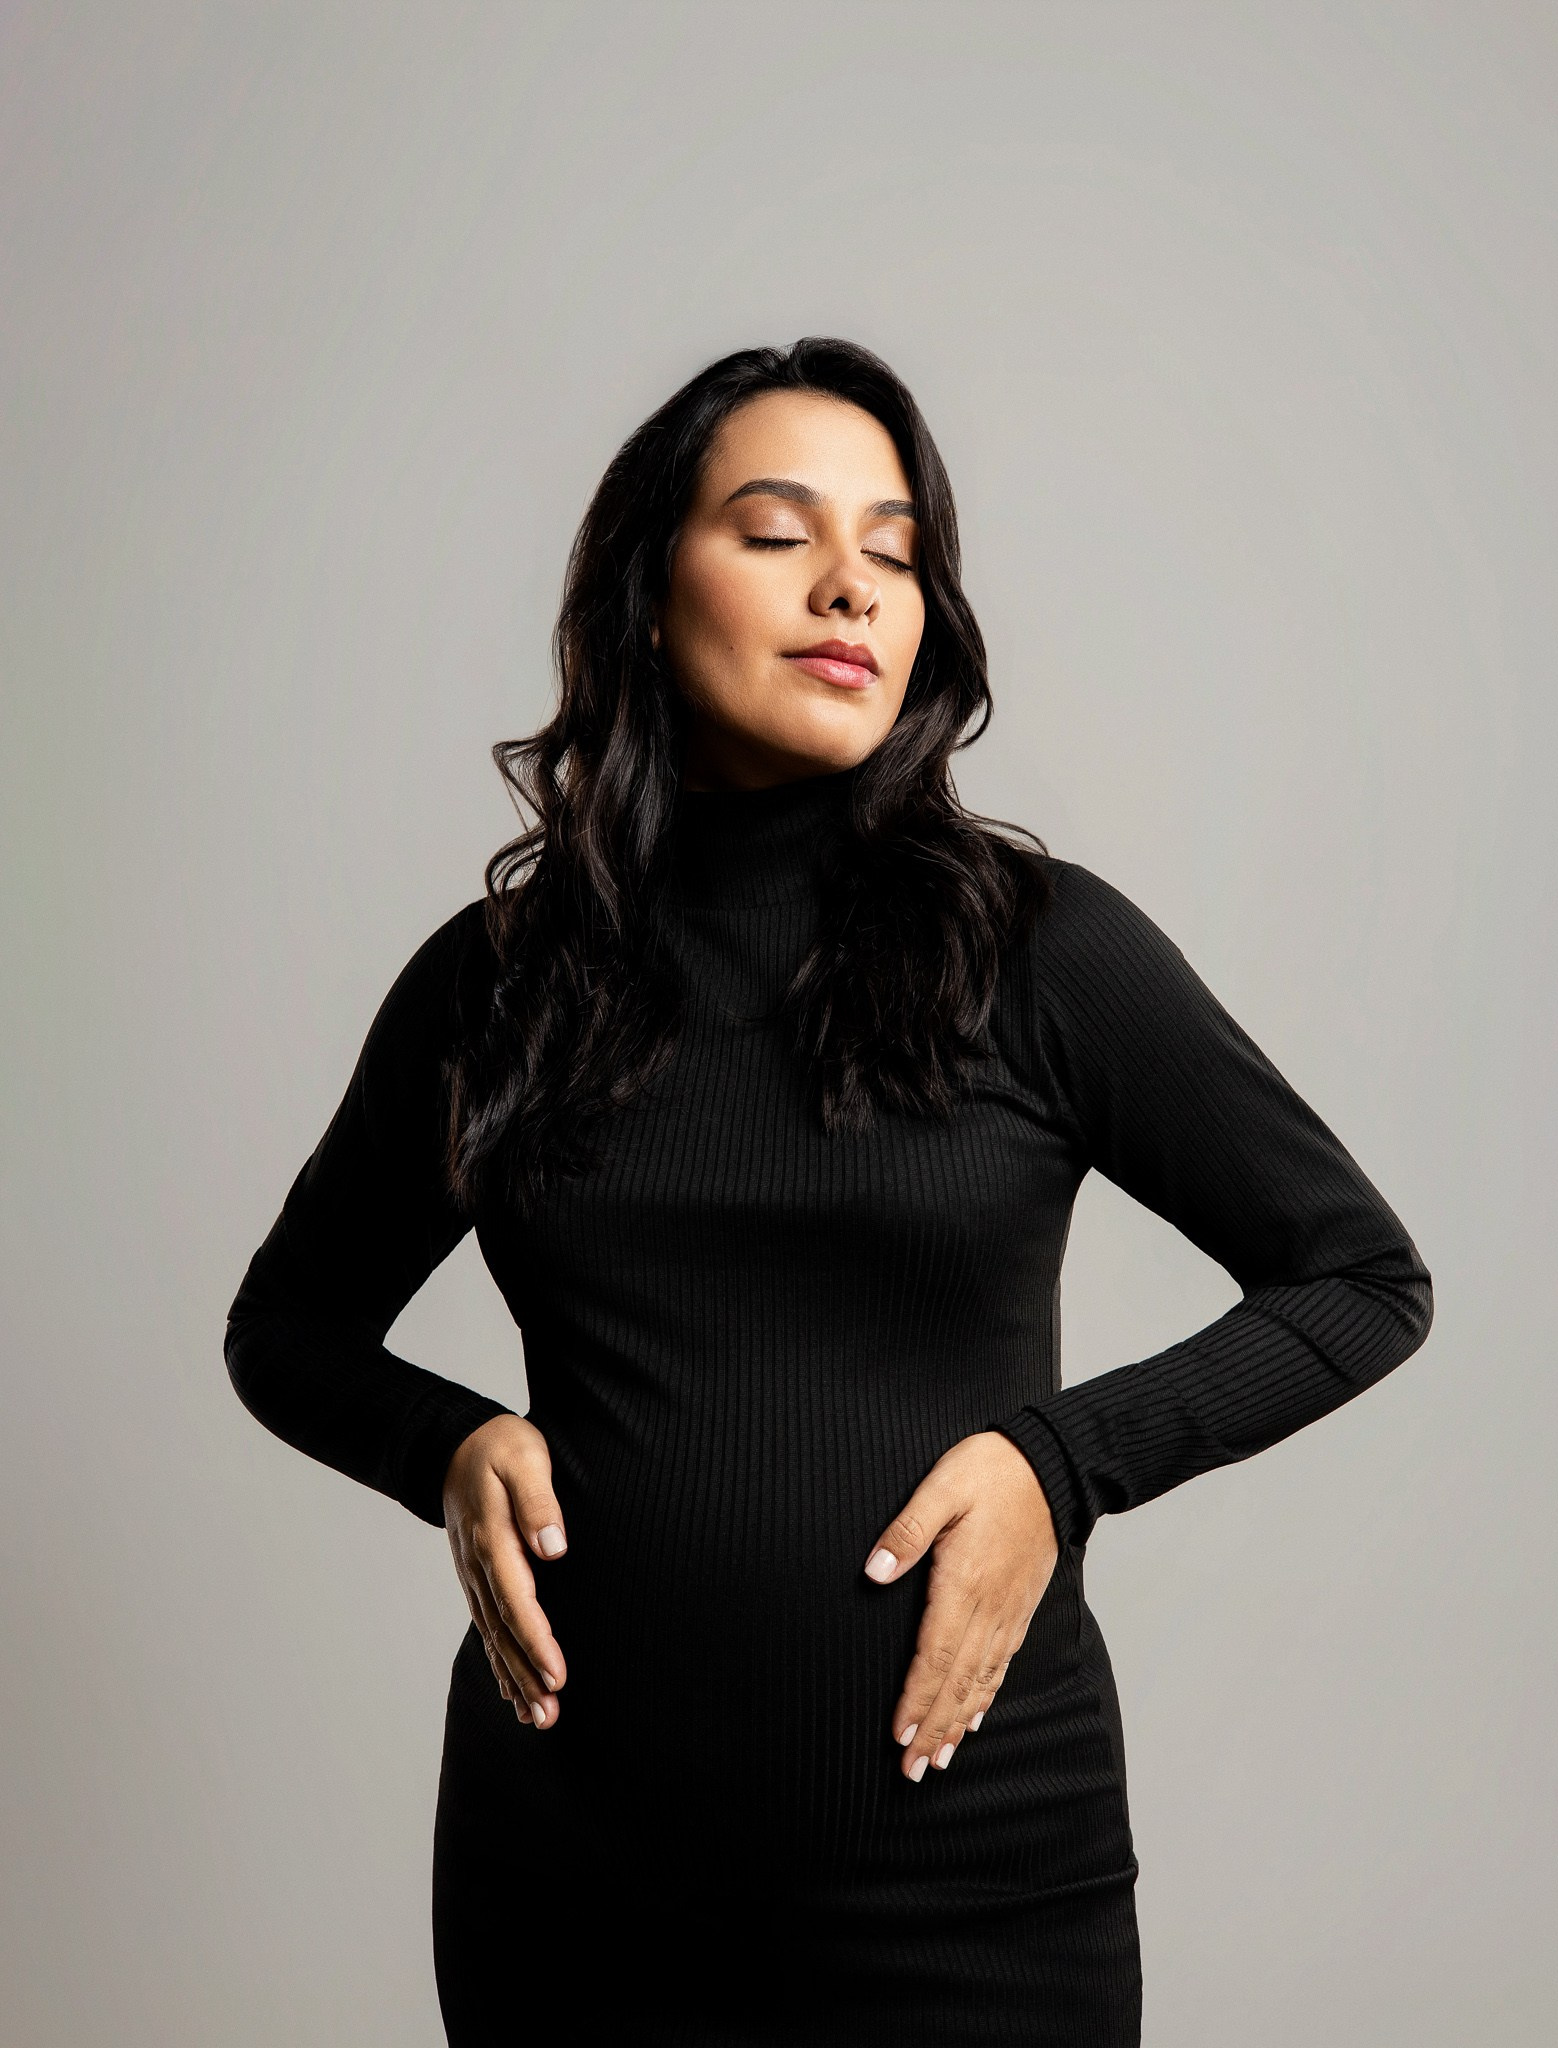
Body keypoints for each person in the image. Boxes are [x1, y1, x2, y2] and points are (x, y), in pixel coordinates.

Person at [224, 337, 1434, 2045]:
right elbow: (286, 1329)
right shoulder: (499, 981)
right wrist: (446, 1445)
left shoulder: (1040, 951)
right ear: (648, 596)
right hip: (566, 1882)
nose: (852, 583)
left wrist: (1059, 1466)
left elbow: (1358, 1280)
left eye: (896, 548)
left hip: (969, 1881)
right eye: (779, 532)